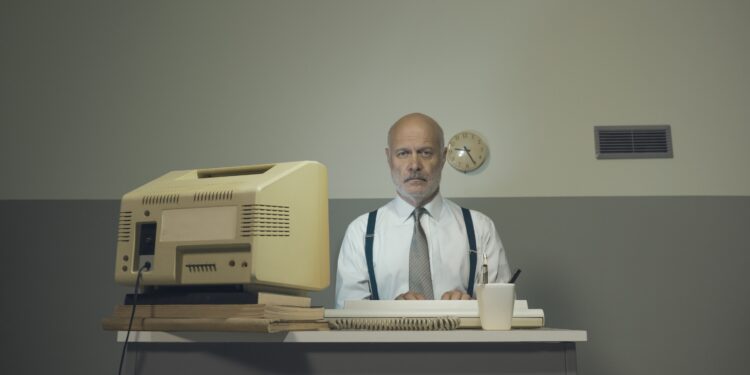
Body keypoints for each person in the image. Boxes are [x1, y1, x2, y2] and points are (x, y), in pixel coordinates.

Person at [334, 113, 511, 308]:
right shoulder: (360, 232)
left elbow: (500, 312)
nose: (414, 165)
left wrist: (470, 307)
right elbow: (347, 316)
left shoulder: (480, 229)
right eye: (403, 153)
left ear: (443, 157)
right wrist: (389, 313)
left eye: (426, 152)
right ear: (388, 158)